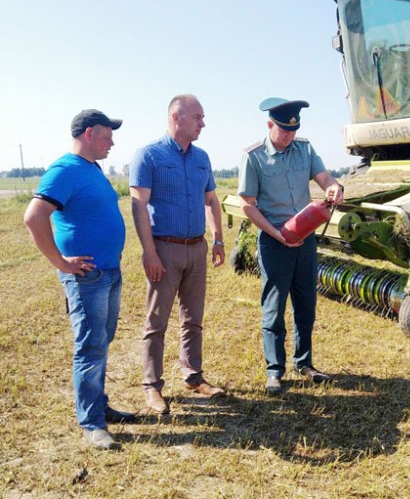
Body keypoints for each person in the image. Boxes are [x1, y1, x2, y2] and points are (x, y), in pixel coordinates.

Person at [24, 109, 135, 451]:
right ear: (88, 134)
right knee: (89, 346)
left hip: (108, 272)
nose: (112, 141)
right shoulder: (64, 170)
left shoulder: (92, 169)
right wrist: (60, 262)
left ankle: (99, 405)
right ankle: (91, 423)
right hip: (86, 277)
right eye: (106, 135)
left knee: (101, 342)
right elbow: (34, 217)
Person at [237, 97, 344, 395]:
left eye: (293, 131)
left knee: (306, 303)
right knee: (273, 307)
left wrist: (333, 188)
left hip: (305, 239)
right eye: (284, 130)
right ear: (270, 125)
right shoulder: (254, 157)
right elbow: (247, 205)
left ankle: (304, 362)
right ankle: (275, 370)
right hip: (275, 242)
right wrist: (275, 234)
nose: (289, 136)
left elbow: (325, 178)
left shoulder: (305, 149)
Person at [129, 94, 226, 414]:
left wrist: (218, 240)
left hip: (196, 249)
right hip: (165, 250)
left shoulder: (202, 158)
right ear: (176, 118)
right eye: (197, 117)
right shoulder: (149, 156)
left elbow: (211, 200)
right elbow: (138, 205)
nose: (203, 123)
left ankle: (193, 375)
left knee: (193, 319)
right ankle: (152, 387)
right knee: (156, 322)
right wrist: (149, 252)